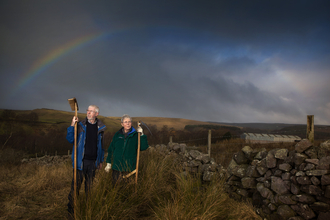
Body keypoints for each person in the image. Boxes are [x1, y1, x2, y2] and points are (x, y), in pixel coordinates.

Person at [66, 105, 106, 216]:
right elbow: (70, 139)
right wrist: (72, 124)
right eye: (88, 110)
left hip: (93, 163)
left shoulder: (100, 128)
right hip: (80, 162)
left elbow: (101, 146)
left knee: (89, 188)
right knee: (75, 188)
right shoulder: (80, 126)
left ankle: (87, 210)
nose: (88, 112)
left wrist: (101, 161)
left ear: (96, 114)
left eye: (91, 111)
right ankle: (71, 212)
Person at [105, 114, 148, 184]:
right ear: (122, 124)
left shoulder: (136, 135)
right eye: (125, 122)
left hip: (129, 168)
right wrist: (108, 163)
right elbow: (111, 149)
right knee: (115, 188)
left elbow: (143, 147)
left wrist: (142, 134)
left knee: (126, 189)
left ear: (131, 123)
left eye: (129, 121)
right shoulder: (117, 135)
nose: (128, 123)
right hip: (116, 167)